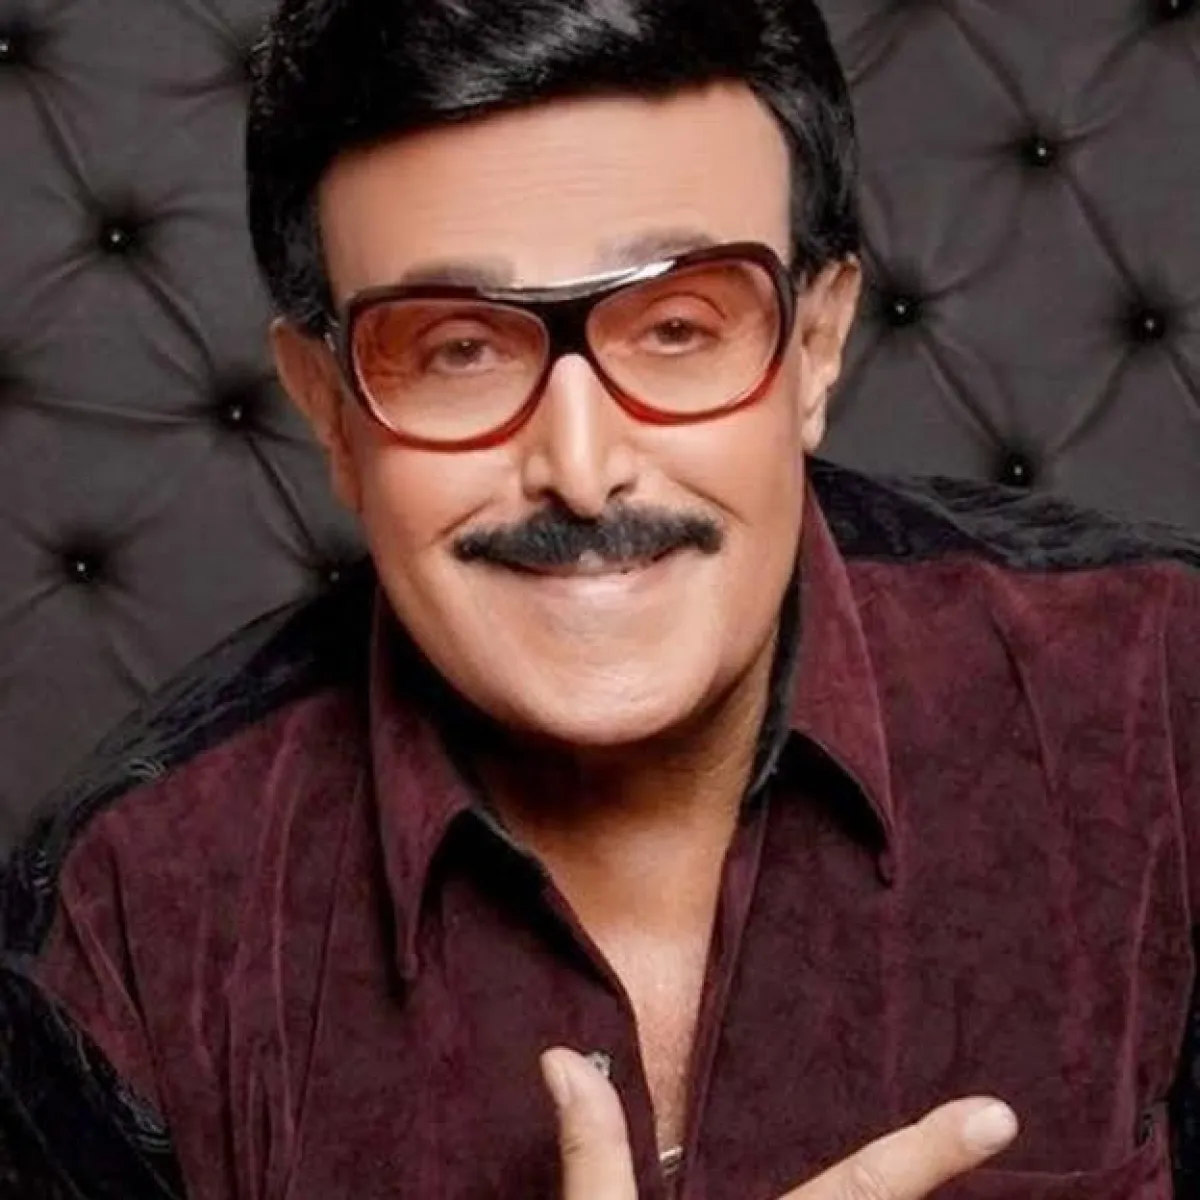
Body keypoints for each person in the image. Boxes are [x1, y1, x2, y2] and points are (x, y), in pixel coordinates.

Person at [0, 0, 1196, 1196]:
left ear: (817, 348)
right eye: (459, 349)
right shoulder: (113, 927)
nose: (580, 470)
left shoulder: (1165, 700)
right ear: (329, 410)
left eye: (677, 327)